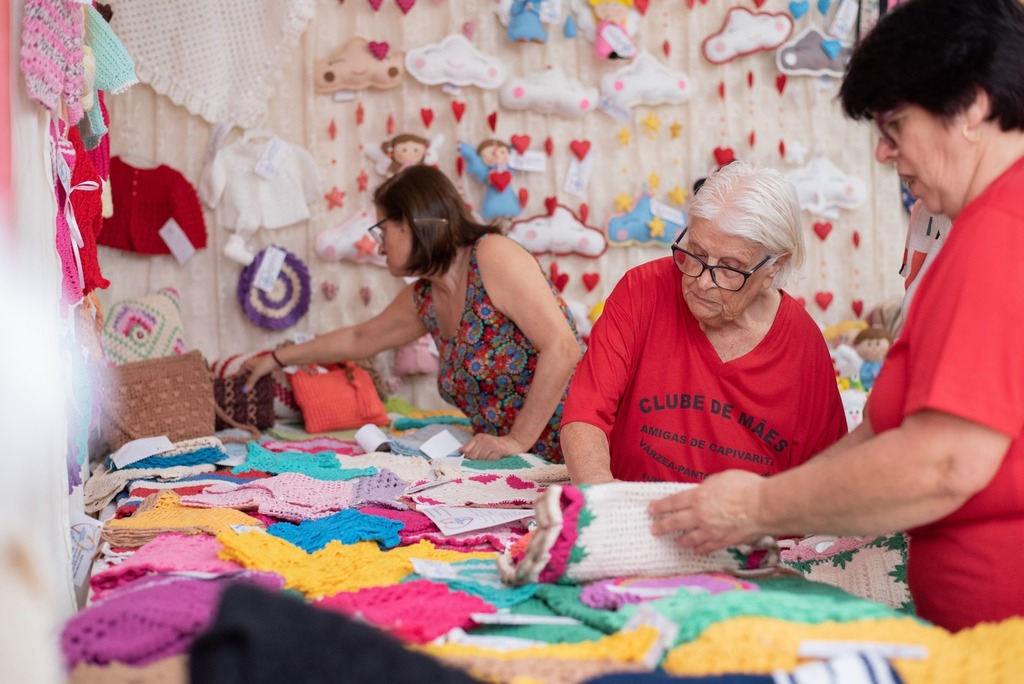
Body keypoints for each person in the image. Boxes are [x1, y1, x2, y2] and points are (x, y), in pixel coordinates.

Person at [649, 0, 1024, 633]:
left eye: (895, 125)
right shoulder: (978, 225)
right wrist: (773, 508)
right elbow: (886, 433)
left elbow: (943, 463)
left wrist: (758, 506)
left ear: (974, 105)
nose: (886, 154)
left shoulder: (1000, 229)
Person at [243, 165, 584, 462]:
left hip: (576, 446)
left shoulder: (493, 254)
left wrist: (517, 440)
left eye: (382, 230)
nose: (378, 245)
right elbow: (360, 339)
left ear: (413, 221)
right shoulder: (425, 296)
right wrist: (278, 356)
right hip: (520, 460)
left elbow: (563, 347)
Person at [561, 161, 847, 485]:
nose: (701, 282)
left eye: (730, 267)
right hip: (633, 517)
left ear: (773, 267)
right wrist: (603, 501)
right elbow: (584, 416)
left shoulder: (802, 346)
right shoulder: (641, 290)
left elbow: (825, 477)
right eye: (694, 253)